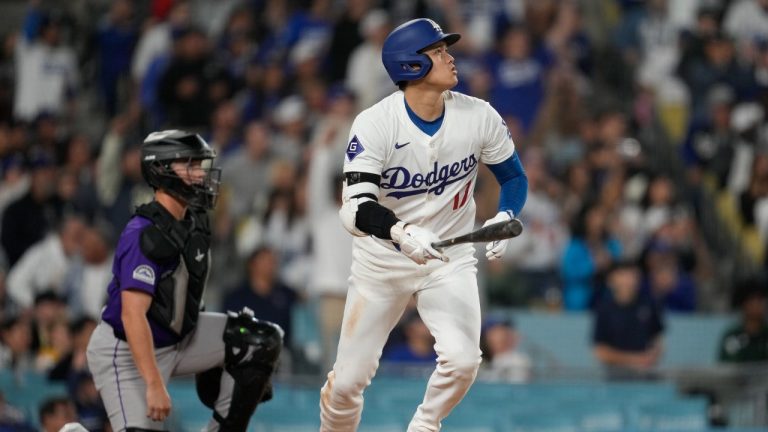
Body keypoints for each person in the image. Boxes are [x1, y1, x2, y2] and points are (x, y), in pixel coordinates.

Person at [320, 18, 528, 431]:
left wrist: (506, 212)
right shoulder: (375, 123)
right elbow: (354, 208)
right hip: (382, 262)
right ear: (411, 66)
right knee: (346, 383)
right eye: (437, 52)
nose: (450, 57)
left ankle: (425, 424)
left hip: (448, 260)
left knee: (465, 360)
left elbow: (514, 178)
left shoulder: (478, 115)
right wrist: (399, 230)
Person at [86, 130, 283, 432]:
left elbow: (185, 291)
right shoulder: (144, 234)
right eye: (189, 165)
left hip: (180, 338)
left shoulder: (195, 218)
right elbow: (132, 314)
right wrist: (153, 384)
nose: (199, 174)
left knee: (258, 341)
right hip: (127, 352)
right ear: (161, 170)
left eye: (199, 165)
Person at [593, 260, 664, 380]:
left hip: (645, 375)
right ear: (611, 280)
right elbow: (600, 351)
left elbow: (658, 340)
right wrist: (634, 360)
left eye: (632, 275)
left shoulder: (649, 305)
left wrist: (651, 357)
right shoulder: (604, 309)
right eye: (623, 274)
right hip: (615, 377)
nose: (628, 279)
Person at [718, 277, 768, 363]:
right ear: (744, 305)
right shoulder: (733, 337)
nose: (760, 305)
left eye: (761, 300)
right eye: (754, 300)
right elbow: (726, 369)